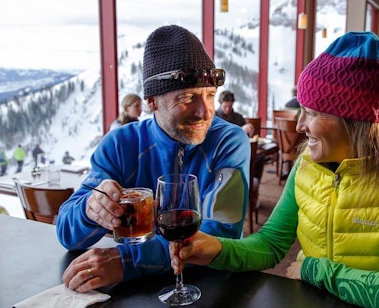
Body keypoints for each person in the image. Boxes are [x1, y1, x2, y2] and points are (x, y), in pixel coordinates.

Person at [169, 32, 379, 307]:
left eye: (310, 112)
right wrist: (216, 250)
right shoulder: (306, 165)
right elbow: (271, 243)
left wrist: (315, 270)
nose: (299, 125)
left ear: (354, 120)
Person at [58, 25, 250, 293]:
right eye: (187, 97)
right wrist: (92, 208)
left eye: (210, 96)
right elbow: (67, 233)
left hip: (209, 284)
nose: (205, 112)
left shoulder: (229, 141)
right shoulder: (120, 144)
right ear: (152, 101)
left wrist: (127, 262)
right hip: (138, 293)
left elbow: (221, 230)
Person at [216, 90, 265, 181]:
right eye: (225, 106)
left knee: (259, 157)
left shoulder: (238, 117)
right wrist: (240, 130)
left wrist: (249, 130)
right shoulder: (214, 117)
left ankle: (253, 181)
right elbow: (218, 136)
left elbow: (247, 136)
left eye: (230, 106)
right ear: (220, 104)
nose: (228, 109)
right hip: (223, 151)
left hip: (240, 148)